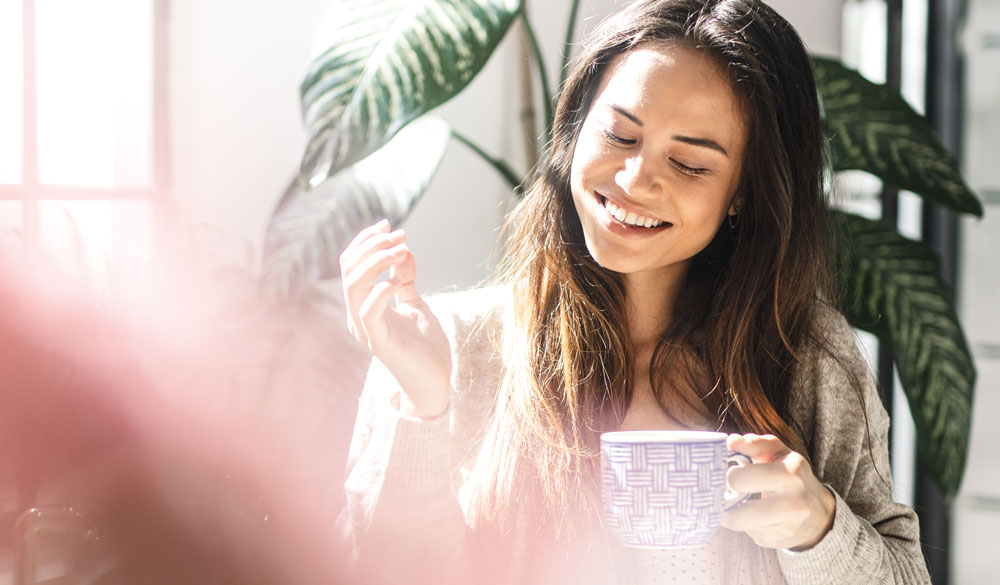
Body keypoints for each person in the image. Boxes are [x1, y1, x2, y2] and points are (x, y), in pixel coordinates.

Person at [337, 0, 931, 583]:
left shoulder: (806, 358)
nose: (634, 179)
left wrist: (817, 527)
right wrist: (421, 407)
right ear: (574, 128)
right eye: (619, 134)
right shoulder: (450, 346)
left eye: (690, 165)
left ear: (744, 192)